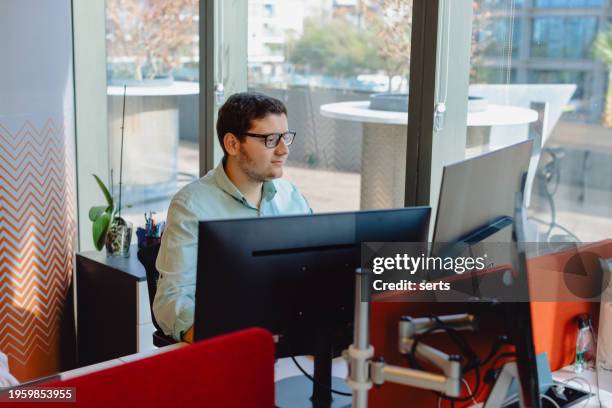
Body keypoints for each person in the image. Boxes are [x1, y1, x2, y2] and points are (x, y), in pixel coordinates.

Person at [154, 92, 312, 343]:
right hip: (233, 346)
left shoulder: (290, 197)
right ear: (232, 144)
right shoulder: (192, 206)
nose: (284, 150)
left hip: (291, 339)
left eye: (286, 137)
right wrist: (224, 346)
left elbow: (315, 271)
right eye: (271, 139)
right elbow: (172, 299)